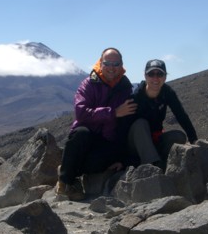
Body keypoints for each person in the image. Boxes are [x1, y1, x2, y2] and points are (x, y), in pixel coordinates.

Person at [56, 47, 137, 201]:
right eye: (107, 63)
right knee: (81, 134)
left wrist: (121, 157)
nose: (112, 68)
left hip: (106, 140)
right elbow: (81, 113)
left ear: (121, 65)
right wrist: (113, 112)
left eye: (116, 64)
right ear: (100, 63)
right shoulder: (88, 84)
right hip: (86, 134)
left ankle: (69, 169)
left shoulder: (125, 89)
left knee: (98, 164)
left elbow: (126, 124)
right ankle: (65, 181)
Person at [128, 59, 197, 171]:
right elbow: (122, 126)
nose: (155, 78)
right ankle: (153, 166)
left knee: (178, 136)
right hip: (135, 144)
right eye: (151, 74)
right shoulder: (135, 96)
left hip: (154, 139)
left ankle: (159, 159)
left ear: (165, 77)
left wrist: (194, 139)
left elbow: (181, 115)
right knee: (140, 124)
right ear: (145, 76)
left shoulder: (167, 92)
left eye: (159, 74)